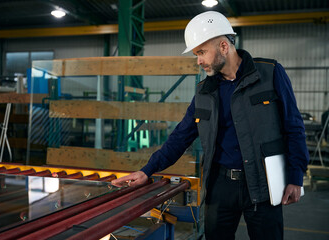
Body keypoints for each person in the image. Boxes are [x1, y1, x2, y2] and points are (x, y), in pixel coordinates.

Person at [112, 11, 309, 240]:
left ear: (224, 46)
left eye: (202, 52)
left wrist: (295, 177)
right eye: (196, 54)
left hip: (263, 184)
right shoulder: (204, 92)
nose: (199, 61)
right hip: (220, 186)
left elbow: (294, 127)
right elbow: (180, 137)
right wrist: (147, 170)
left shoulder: (270, 73)